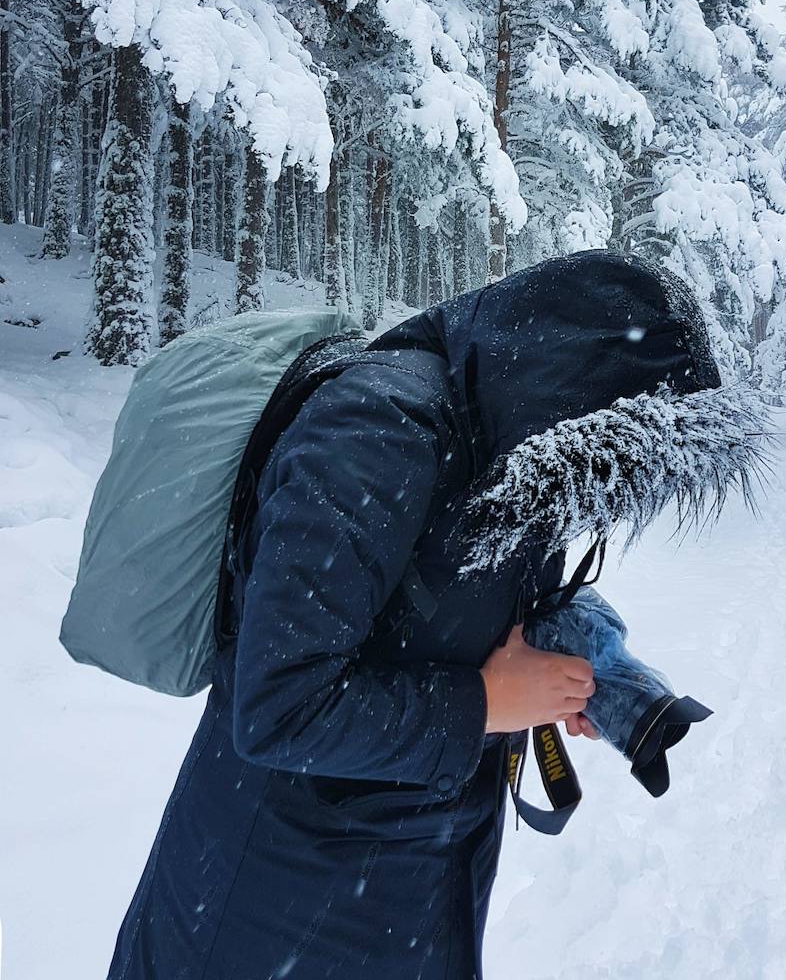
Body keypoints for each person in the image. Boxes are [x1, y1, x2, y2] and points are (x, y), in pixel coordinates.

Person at [105, 249, 741, 980]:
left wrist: (601, 671)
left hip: (411, 880)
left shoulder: (501, 442)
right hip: (278, 895)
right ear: (573, 392)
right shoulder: (375, 434)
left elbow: (482, 590)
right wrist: (489, 702)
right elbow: (279, 706)